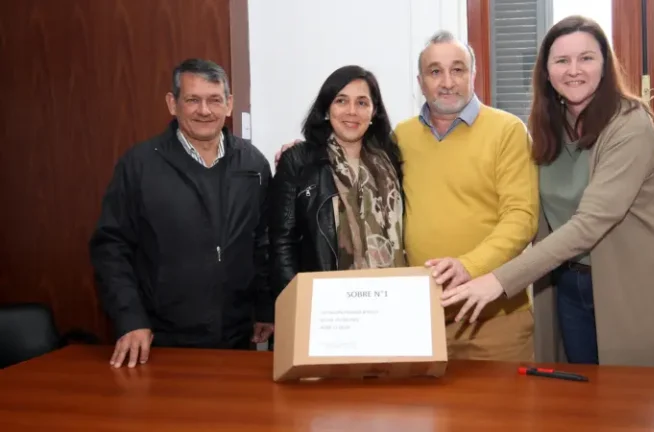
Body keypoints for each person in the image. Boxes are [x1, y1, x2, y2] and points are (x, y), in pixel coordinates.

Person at [441, 16, 654, 368]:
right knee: (582, 401)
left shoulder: (630, 125)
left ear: (605, 65)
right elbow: (523, 208)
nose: (574, 70)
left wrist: (498, 281)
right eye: (561, 60)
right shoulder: (549, 127)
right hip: (568, 285)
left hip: (632, 287)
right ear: (546, 71)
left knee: (635, 407)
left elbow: (589, 222)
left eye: (586, 58)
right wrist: (468, 260)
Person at [275, 30, 539, 362]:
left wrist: (469, 266)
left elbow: (522, 218)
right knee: (421, 414)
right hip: (417, 318)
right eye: (435, 71)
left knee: (500, 413)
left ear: (473, 74)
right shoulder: (401, 138)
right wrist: (300, 151)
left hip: (492, 316)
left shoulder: (507, 130)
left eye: (457, 69)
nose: (446, 81)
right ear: (421, 81)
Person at [90, 58, 273, 368]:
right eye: (193, 100)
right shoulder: (139, 165)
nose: (205, 110)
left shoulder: (253, 165)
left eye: (214, 100)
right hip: (162, 341)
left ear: (229, 105)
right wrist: (130, 318)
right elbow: (111, 247)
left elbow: (263, 242)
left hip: (236, 339)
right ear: (172, 104)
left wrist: (265, 309)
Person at [269, 65, 406, 297]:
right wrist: (296, 300)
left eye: (362, 103)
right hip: (326, 304)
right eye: (341, 101)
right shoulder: (299, 160)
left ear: (374, 112)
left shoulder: (392, 160)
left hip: (390, 297)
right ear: (326, 109)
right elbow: (282, 242)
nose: (351, 111)